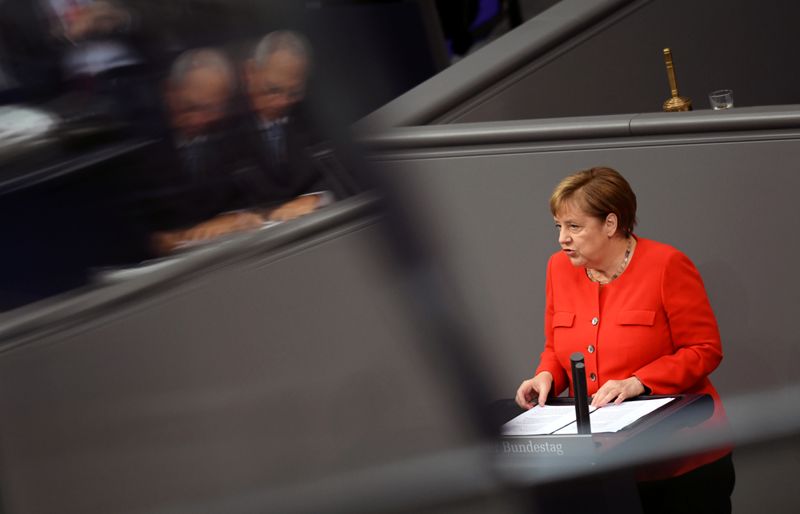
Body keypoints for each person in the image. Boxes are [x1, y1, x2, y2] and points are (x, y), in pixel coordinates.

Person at [514, 167, 734, 513]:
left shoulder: (666, 265)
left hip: (681, 461)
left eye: (574, 226)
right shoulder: (558, 268)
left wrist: (639, 382)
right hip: (603, 466)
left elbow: (704, 351)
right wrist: (546, 376)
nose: (562, 239)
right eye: (559, 226)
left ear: (611, 224)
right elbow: (556, 348)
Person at [138, 47, 263, 254]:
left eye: (212, 110)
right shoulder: (143, 151)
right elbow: (137, 227)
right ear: (169, 92)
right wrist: (165, 239)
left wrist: (235, 218)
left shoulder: (239, 138)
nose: (199, 120)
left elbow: (263, 197)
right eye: (191, 107)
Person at [241, 30, 331, 222]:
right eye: (273, 90)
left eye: (294, 92)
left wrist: (315, 198)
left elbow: (343, 172)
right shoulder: (228, 124)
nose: (282, 102)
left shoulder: (318, 117)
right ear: (250, 73)